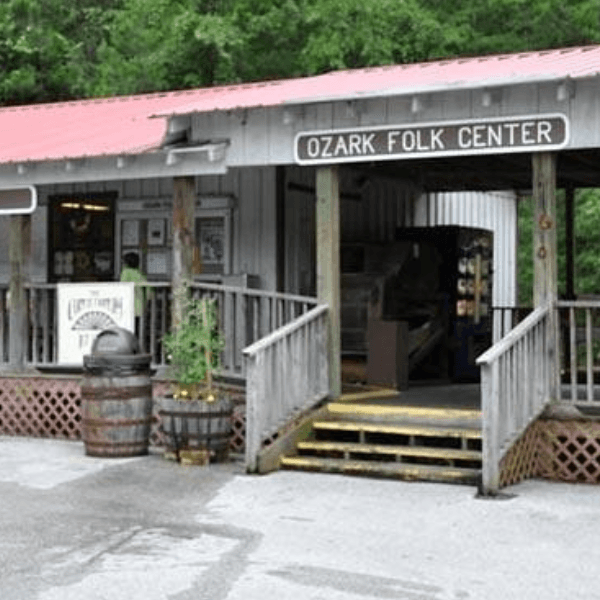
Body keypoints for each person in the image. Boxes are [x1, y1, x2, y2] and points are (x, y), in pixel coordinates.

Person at [120, 252, 147, 335]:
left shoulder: (126, 272)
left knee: (129, 329)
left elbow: (122, 287)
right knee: (138, 328)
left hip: (129, 305)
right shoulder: (140, 273)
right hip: (140, 305)